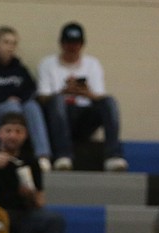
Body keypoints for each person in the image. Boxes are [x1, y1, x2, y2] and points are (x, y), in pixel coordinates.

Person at [36, 22, 127, 172]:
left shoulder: (92, 64)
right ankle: (63, 155)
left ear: (82, 44)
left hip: (84, 115)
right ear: (61, 44)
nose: (72, 48)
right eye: (68, 43)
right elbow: (43, 98)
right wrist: (64, 92)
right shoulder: (47, 64)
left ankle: (113, 156)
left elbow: (99, 97)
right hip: (59, 117)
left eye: (76, 44)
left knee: (109, 101)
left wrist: (82, 92)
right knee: (57, 101)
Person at [0, 26, 52, 167]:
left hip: (16, 109)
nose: (10, 47)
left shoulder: (19, 69)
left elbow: (31, 91)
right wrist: (5, 101)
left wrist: (18, 100)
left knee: (32, 106)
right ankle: (17, 154)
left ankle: (42, 156)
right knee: (12, 107)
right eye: (6, 42)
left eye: (13, 43)